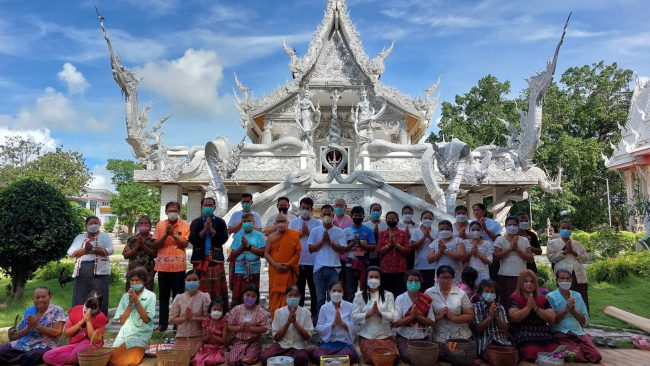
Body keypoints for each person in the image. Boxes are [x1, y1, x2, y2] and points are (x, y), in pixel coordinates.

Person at [547, 268, 602, 363]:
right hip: (560, 332)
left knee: (596, 356)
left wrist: (573, 311)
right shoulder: (551, 296)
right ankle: (557, 353)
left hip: (577, 331)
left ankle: (577, 346)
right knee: (576, 357)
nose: (565, 281)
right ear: (557, 280)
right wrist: (567, 309)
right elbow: (552, 321)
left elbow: (583, 321)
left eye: (568, 278)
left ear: (571, 280)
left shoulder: (577, 296)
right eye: (562, 278)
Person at [0, 287, 65, 366]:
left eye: (43, 297)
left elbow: (57, 333)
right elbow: (16, 335)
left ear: (50, 297)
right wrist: (28, 327)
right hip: (24, 344)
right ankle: (17, 359)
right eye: (37, 297)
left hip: (46, 345)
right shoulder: (29, 311)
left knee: (30, 357)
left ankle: (15, 359)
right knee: (1, 351)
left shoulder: (57, 310)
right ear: (33, 299)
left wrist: (37, 326)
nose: (40, 299)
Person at [153, 201, 190, 331]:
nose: (172, 212)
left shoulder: (185, 225)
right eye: (170, 210)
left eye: (175, 210)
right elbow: (156, 245)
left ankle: (177, 325)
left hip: (178, 267)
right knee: (163, 297)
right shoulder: (160, 225)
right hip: (163, 267)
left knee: (178, 297)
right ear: (166, 212)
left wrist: (173, 234)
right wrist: (165, 234)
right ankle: (163, 324)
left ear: (179, 212)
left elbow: (184, 244)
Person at [43, 292, 108, 366]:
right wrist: (81, 322)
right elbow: (66, 333)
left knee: (77, 355)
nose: (89, 311)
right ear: (85, 302)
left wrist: (88, 322)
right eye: (87, 307)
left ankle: (74, 360)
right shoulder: (76, 310)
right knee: (48, 356)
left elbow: (95, 341)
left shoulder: (100, 316)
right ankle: (75, 361)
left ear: (99, 307)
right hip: (75, 345)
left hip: (91, 345)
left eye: (93, 308)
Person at [507, 270, 558, 362]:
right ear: (520, 283)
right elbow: (513, 318)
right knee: (530, 351)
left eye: (532, 281)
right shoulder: (515, 297)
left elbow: (552, 318)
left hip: (541, 331)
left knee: (555, 351)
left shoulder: (542, 298)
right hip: (522, 331)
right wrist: (528, 308)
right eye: (526, 281)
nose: (529, 284)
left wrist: (536, 307)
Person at [67, 215, 114, 316]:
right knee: (80, 296)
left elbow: (110, 250)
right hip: (82, 271)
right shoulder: (80, 237)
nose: (94, 225)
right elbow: (70, 253)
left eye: (96, 223)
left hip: (99, 271)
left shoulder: (105, 236)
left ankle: (99, 321)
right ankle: (79, 320)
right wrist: (85, 250)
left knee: (99, 296)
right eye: (91, 223)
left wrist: (93, 249)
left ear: (100, 224)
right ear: (86, 225)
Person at [110, 267, 156, 366]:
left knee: (128, 361)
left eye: (137, 280)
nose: (134, 283)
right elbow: (122, 321)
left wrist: (137, 301)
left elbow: (147, 320)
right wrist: (130, 304)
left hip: (141, 334)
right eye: (132, 280)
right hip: (124, 334)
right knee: (113, 360)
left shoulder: (151, 296)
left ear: (143, 281)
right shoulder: (125, 297)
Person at [189, 197, 229, 308]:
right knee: (199, 289)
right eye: (206, 205)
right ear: (201, 207)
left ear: (214, 207)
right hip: (200, 260)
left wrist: (211, 230)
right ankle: (199, 312)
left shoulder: (220, 222)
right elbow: (193, 240)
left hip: (215, 260)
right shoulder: (196, 222)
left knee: (217, 290)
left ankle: (218, 312)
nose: (208, 207)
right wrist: (204, 230)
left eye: (210, 205)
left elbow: (223, 239)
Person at [308, 204, 348, 315]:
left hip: (334, 269)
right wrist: (322, 241)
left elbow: (342, 249)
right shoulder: (315, 231)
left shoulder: (339, 231)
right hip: (318, 269)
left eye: (329, 214)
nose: (326, 216)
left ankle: (333, 321)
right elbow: (311, 249)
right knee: (320, 299)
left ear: (333, 215)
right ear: (320, 215)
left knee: (333, 299)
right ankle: (321, 322)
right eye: (324, 214)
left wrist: (330, 242)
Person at [352, 267, 397, 366]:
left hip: (384, 335)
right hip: (367, 336)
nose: (373, 279)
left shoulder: (389, 295)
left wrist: (380, 314)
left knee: (390, 358)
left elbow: (393, 316)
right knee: (371, 359)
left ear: (380, 279)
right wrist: (369, 313)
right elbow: (354, 317)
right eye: (371, 277)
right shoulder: (359, 296)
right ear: (366, 279)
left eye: (376, 277)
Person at [261, 286, 314, 366]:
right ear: (286, 297)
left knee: (303, 358)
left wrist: (295, 322)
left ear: (300, 297)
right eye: (290, 295)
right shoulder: (279, 312)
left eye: (296, 296)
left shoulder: (306, 313)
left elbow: (307, 337)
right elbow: (276, 338)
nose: (293, 298)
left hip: (298, 347)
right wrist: (288, 322)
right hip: (281, 346)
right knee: (265, 357)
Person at [310, 282, 359, 364]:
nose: (336, 293)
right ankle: (336, 361)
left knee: (349, 355)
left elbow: (355, 327)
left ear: (343, 292)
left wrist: (342, 323)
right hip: (328, 344)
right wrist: (332, 324)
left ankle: (332, 361)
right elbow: (319, 328)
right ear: (329, 292)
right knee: (318, 355)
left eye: (339, 291)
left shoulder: (350, 306)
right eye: (334, 290)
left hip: (344, 344)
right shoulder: (324, 308)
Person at [393, 270, 435, 364]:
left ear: (420, 283)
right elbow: (395, 323)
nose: (413, 283)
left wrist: (418, 316)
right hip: (405, 337)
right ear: (406, 282)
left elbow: (432, 322)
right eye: (410, 281)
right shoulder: (400, 298)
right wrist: (412, 316)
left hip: (422, 336)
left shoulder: (426, 299)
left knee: (427, 357)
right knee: (409, 357)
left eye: (416, 281)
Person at [547, 220, 590, 311]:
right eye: (563, 228)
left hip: (578, 274)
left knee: (580, 297)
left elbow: (585, 258)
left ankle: (582, 319)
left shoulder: (576, 244)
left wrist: (573, 252)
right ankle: (564, 318)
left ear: (571, 230)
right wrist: (565, 252)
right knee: (564, 297)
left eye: (568, 228)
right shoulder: (552, 243)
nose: (566, 230)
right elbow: (551, 258)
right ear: (559, 229)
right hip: (563, 275)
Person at [264, 213, 302, 318]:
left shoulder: (294, 234)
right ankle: (275, 318)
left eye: (283, 221)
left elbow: (298, 252)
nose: (281, 224)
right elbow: (266, 253)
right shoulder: (271, 237)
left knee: (289, 293)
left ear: (288, 223)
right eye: (279, 222)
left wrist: (289, 264)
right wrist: (276, 265)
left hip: (289, 270)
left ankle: (289, 318)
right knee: (275, 294)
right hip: (275, 271)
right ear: (275, 224)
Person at [290, 197, 321, 319]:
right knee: (299, 290)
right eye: (303, 208)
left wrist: (309, 233)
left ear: (312, 209)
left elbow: (319, 242)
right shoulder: (293, 222)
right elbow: (290, 241)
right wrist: (301, 234)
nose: (305, 210)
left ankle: (314, 315)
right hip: (298, 261)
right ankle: (298, 315)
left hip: (313, 262)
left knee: (314, 291)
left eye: (308, 208)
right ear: (300, 208)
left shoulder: (317, 224)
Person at [426, 266, 473, 345]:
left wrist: (454, 318)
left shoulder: (461, 293)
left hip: (460, 336)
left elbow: (470, 315)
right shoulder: (429, 293)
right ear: (437, 278)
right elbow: (425, 317)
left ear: (453, 279)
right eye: (443, 277)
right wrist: (438, 317)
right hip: (438, 336)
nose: (446, 280)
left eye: (449, 277)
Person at [493, 216, 534, 306]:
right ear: (506, 226)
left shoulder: (524, 240)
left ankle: (520, 317)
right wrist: (510, 248)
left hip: (521, 275)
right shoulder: (500, 239)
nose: (512, 227)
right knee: (506, 299)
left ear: (518, 226)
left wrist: (518, 249)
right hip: (505, 275)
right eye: (510, 225)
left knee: (521, 299)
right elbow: (496, 257)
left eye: (515, 225)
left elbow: (530, 259)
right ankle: (507, 318)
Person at [226, 285, 270, 366]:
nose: (250, 298)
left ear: (257, 298)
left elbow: (264, 328)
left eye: (253, 296)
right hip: (239, 341)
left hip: (254, 341)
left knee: (248, 360)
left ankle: (253, 355)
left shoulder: (261, 312)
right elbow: (228, 327)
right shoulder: (237, 310)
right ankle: (241, 359)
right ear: (243, 296)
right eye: (248, 295)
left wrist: (251, 328)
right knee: (232, 361)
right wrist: (239, 328)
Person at [229, 213, 266, 307]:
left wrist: (248, 246)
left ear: (253, 222)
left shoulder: (259, 236)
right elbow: (232, 255)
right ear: (242, 223)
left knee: (252, 295)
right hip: (239, 270)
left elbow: (262, 253)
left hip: (254, 270)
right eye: (244, 221)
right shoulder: (237, 236)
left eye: (249, 221)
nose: (247, 223)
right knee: (238, 296)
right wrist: (242, 246)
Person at [169, 270, 211, 353]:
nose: (191, 282)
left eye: (195, 280)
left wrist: (193, 318)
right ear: (185, 282)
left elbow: (209, 319)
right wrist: (185, 318)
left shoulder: (204, 297)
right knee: (176, 359)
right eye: (188, 280)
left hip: (199, 336)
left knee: (192, 357)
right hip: (181, 336)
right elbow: (171, 319)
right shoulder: (179, 298)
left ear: (199, 281)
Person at [342, 206, 376, 301]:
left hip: (364, 264)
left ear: (363, 217)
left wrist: (361, 244)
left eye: (360, 216)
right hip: (349, 265)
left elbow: (373, 247)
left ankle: (363, 311)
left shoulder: (368, 230)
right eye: (355, 216)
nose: (358, 218)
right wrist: (353, 243)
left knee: (364, 290)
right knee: (350, 291)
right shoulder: (346, 231)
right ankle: (351, 313)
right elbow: (343, 249)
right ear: (351, 216)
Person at [472, 279, 511, 359]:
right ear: (481, 293)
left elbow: (505, 329)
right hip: (484, 343)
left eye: (492, 292)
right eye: (486, 291)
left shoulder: (500, 307)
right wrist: (489, 317)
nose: (489, 294)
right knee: (494, 356)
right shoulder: (476, 307)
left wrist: (497, 317)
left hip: (501, 341)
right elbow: (477, 329)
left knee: (508, 355)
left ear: (496, 295)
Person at [376, 211, 411, 296]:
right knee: (387, 294)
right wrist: (389, 245)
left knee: (400, 293)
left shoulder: (402, 234)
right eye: (389, 219)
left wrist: (397, 245)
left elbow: (408, 250)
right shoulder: (382, 234)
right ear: (386, 221)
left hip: (400, 269)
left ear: (397, 220)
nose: (391, 220)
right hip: (386, 269)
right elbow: (378, 250)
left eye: (393, 219)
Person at [122, 215, 157, 290]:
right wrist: (136, 247)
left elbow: (155, 254)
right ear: (138, 226)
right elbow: (125, 255)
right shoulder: (132, 239)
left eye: (146, 224)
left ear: (150, 226)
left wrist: (143, 246)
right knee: (130, 296)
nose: (143, 225)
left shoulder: (153, 239)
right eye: (141, 224)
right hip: (133, 272)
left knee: (147, 296)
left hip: (148, 273)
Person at [427, 220, 466, 284]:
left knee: (456, 292)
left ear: (451, 229)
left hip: (455, 273)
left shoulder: (458, 240)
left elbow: (461, 256)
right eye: (441, 229)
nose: (444, 231)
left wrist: (445, 250)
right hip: (440, 274)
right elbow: (429, 260)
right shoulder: (435, 242)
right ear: (439, 231)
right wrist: (439, 251)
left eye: (446, 229)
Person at [192, 298, 228, 366]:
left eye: (219, 310)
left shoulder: (223, 322)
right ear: (210, 309)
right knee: (197, 360)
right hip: (207, 347)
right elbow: (203, 339)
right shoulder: (206, 320)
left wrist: (212, 336)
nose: (217, 311)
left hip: (219, 348)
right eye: (214, 309)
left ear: (223, 311)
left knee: (210, 360)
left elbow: (225, 341)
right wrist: (208, 336)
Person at [410, 210, 438, 290]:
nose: (427, 220)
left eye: (430, 218)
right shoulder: (416, 231)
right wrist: (424, 237)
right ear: (421, 219)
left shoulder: (436, 231)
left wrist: (429, 236)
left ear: (433, 220)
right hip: (419, 265)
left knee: (432, 289)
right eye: (425, 218)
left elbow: (439, 246)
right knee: (421, 289)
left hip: (433, 266)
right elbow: (414, 246)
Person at [363, 203, 386, 267]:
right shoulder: (365, 225)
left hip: (383, 255)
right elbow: (363, 241)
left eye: (378, 210)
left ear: (381, 212)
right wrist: (373, 235)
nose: (376, 212)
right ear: (370, 212)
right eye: (374, 210)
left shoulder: (386, 225)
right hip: (369, 255)